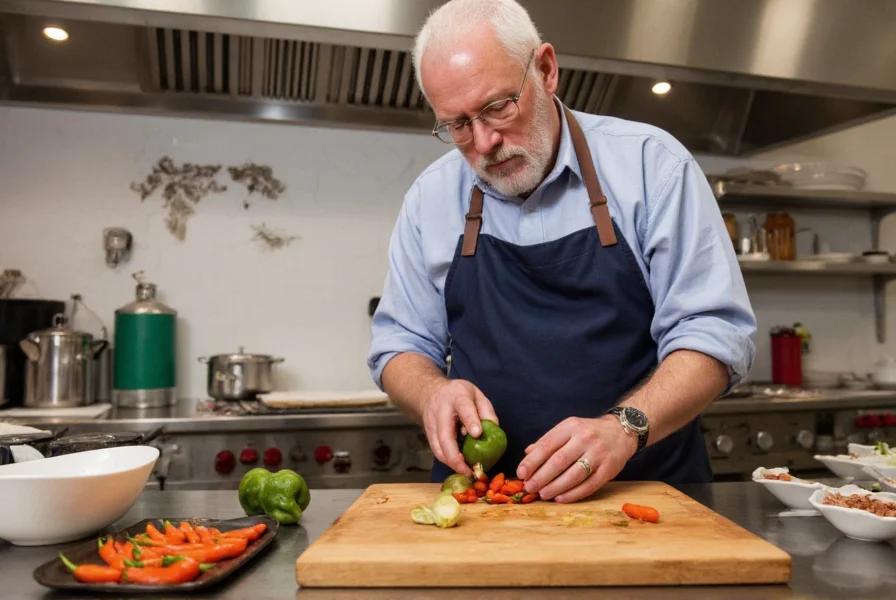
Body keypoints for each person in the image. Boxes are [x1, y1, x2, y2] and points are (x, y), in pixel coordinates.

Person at [367, 0, 756, 503]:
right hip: (488, 503)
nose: (484, 143)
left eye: (497, 107)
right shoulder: (430, 198)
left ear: (546, 70)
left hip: (644, 496)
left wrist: (625, 427)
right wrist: (431, 392)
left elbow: (715, 333)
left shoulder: (652, 166)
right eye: (458, 125)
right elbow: (400, 344)